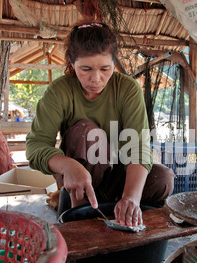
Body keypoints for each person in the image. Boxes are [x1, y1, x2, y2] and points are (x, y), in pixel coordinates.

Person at [26, 20, 174, 227]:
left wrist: (131, 197)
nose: (96, 78)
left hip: (116, 178)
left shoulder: (127, 89)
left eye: (105, 68)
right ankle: (81, 211)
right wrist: (68, 165)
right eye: (85, 68)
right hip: (77, 178)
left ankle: (124, 211)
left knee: (162, 178)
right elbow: (36, 147)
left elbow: (138, 147)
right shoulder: (59, 92)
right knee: (87, 132)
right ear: (71, 62)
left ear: (114, 62)